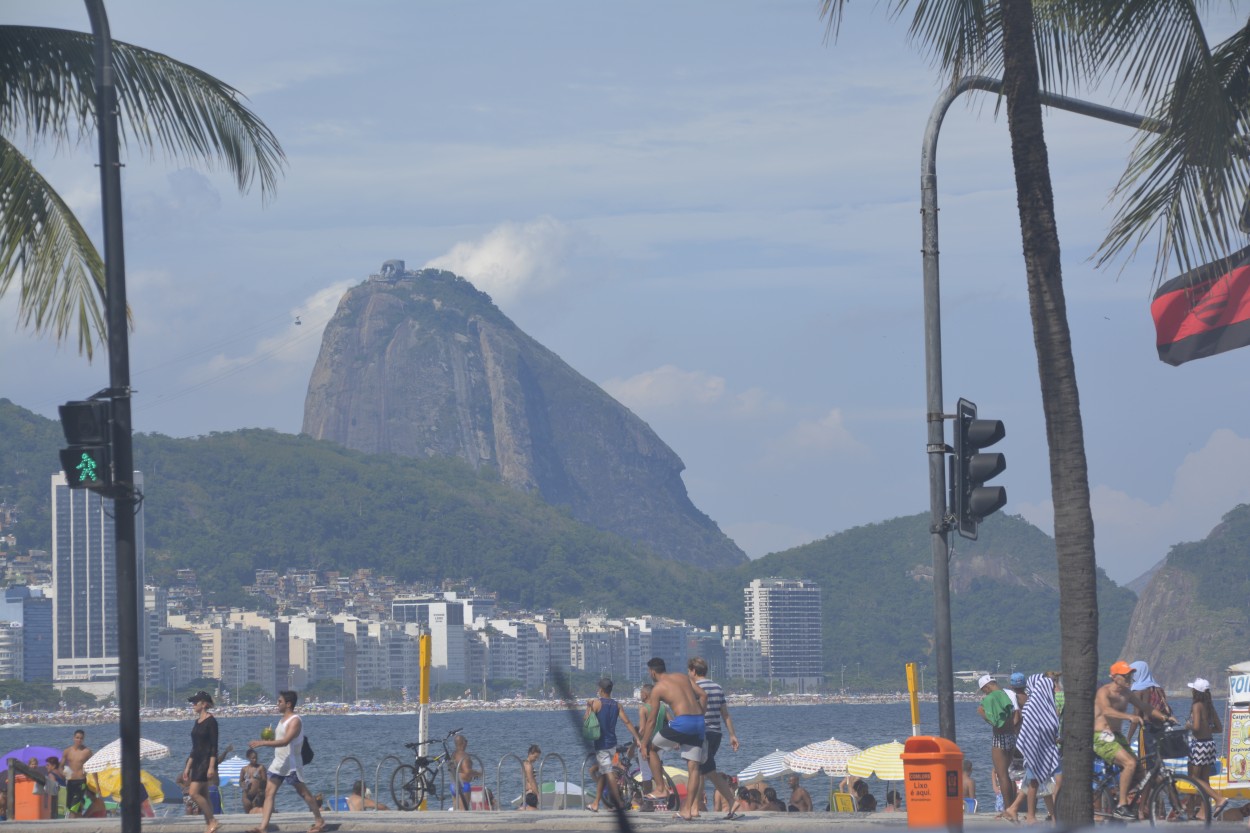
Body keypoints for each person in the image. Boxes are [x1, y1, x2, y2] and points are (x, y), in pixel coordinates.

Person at [1095, 660, 1176, 821]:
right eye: (1125, 675)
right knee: (1130, 763)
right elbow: (1107, 710)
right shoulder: (1104, 692)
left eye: (1130, 674)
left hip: (1116, 735)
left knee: (1140, 770)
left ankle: (1122, 797)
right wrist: (1129, 716)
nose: (1129, 677)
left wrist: (1165, 717)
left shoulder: (1127, 693)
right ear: (1114, 676)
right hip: (1101, 735)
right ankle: (1121, 806)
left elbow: (1146, 708)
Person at [247, 689, 326, 833]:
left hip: (291, 763)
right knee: (269, 792)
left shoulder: (295, 721)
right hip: (279, 762)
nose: (277, 704)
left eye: (280, 701)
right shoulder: (282, 720)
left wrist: (262, 743)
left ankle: (319, 820)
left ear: (288, 704)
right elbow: (279, 740)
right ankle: (263, 827)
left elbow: (285, 741)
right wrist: (269, 737)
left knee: (303, 793)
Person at [638, 656, 707, 821]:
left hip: (683, 723)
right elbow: (703, 695)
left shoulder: (658, 689)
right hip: (699, 723)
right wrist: (700, 715)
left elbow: (652, 720)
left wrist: (644, 743)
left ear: (652, 672)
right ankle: (689, 810)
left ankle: (661, 788)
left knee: (652, 749)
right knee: (694, 769)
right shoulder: (683, 677)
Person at [688, 656, 740, 817]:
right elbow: (725, 715)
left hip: (701, 733)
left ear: (694, 671)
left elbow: (690, 712)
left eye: (689, 670)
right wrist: (732, 735)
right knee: (701, 770)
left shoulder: (694, 687)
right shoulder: (718, 687)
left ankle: (731, 800)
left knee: (707, 770)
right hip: (716, 734)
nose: (688, 673)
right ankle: (695, 808)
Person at [584, 677, 638, 812]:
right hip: (613, 743)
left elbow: (586, 720)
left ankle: (619, 802)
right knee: (603, 773)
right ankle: (596, 803)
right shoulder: (617, 705)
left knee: (607, 772)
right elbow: (627, 722)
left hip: (601, 744)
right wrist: (637, 738)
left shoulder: (596, 703)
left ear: (601, 690)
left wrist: (588, 707)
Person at [1016, 672, 1062, 823]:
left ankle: (1054, 817)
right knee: (1035, 782)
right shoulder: (1030, 707)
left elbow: (1050, 726)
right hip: (1034, 750)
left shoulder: (1048, 704)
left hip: (1047, 748)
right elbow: (1030, 730)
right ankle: (1030, 815)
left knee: (1047, 783)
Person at [1185, 677, 1227, 818]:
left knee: (1193, 778)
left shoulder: (1197, 705)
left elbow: (1196, 727)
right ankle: (1203, 812)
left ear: (1196, 692)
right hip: (1210, 744)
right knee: (1205, 780)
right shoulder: (1210, 706)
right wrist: (1207, 729)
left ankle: (1218, 799)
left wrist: (1189, 726)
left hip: (1199, 745)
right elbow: (1219, 728)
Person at [977, 674, 1018, 812]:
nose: (985, 693)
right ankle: (1013, 808)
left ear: (987, 686)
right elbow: (1016, 715)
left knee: (1002, 774)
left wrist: (985, 717)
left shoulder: (992, 697)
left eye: (984, 690)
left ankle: (1007, 809)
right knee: (1010, 774)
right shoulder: (1008, 694)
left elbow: (993, 719)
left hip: (1000, 737)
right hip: (1012, 736)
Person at [182, 690, 220, 833]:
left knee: (193, 793)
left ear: (203, 704)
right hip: (197, 761)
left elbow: (213, 746)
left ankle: (212, 821)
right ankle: (210, 824)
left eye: (195, 702)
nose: (193, 705)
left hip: (206, 761)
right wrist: (187, 767)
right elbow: (195, 747)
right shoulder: (197, 722)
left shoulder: (211, 722)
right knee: (203, 794)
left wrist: (211, 767)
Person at [1130, 660, 1173, 759]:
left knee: (1145, 762)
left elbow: (1136, 717)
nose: (1132, 676)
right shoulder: (1158, 688)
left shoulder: (1138, 690)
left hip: (1147, 730)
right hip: (1160, 729)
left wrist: (1128, 738)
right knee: (1157, 761)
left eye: (1133, 673)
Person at [636, 682, 669, 803]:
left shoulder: (643, 708)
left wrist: (637, 740)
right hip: (660, 744)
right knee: (657, 770)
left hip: (648, 744)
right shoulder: (662, 708)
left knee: (646, 774)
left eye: (641, 693)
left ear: (645, 695)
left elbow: (643, 729)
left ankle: (648, 802)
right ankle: (666, 796)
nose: (640, 696)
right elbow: (671, 722)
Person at [62, 728, 92, 819]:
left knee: (74, 807)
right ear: (73, 738)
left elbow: (93, 766)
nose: (79, 740)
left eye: (81, 738)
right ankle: (81, 824)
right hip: (70, 782)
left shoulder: (87, 752)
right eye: (77, 737)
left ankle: (71, 826)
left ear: (83, 739)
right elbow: (60, 766)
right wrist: (62, 774)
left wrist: (96, 784)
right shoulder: (67, 751)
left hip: (81, 781)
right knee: (71, 806)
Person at [450, 733, 481, 811]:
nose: (467, 743)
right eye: (466, 741)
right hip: (463, 785)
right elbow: (467, 771)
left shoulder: (453, 754)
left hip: (454, 785)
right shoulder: (464, 756)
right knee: (463, 810)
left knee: (455, 810)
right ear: (463, 743)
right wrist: (479, 773)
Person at [240, 748, 267, 813]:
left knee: (257, 811)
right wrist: (243, 784)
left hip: (258, 794)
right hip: (247, 794)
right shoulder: (244, 769)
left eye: (256, 758)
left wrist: (261, 791)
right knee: (248, 812)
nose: (255, 760)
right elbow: (241, 781)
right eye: (253, 758)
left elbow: (265, 781)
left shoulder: (260, 768)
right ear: (248, 758)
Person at [521, 744, 540, 811]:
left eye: (537, 757)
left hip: (527, 793)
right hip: (531, 793)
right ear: (530, 754)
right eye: (535, 757)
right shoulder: (528, 765)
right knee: (535, 811)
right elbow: (531, 780)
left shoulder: (524, 764)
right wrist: (537, 794)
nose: (536, 759)